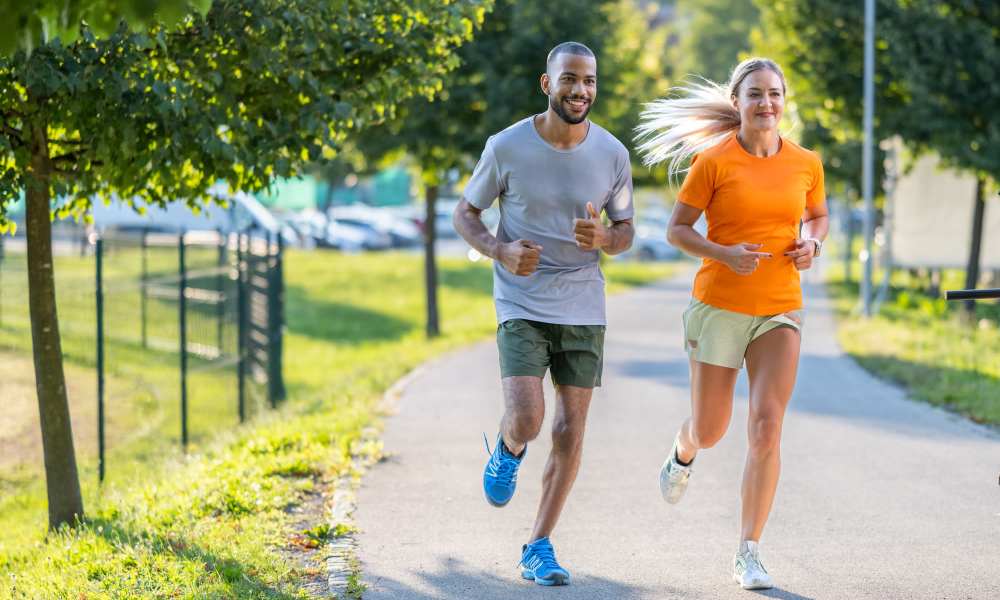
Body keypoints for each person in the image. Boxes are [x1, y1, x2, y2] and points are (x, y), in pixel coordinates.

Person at [635, 57, 828, 590]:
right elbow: (677, 229)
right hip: (719, 305)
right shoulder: (713, 161)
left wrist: (812, 242)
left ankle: (749, 550)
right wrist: (722, 252)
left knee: (766, 427)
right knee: (712, 429)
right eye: (755, 95)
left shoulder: (806, 162)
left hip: (779, 307)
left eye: (775, 94)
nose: (767, 104)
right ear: (737, 102)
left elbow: (817, 215)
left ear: (784, 100)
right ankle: (683, 449)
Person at [453, 41, 634, 587]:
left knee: (569, 429)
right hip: (521, 298)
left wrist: (604, 236)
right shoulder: (506, 146)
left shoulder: (612, 154)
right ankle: (508, 447)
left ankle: (538, 545)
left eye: (590, 81)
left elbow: (626, 233)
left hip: (583, 300)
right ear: (546, 83)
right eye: (570, 79)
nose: (581, 90)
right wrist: (498, 250)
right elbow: (466, 212)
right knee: (530, 419)